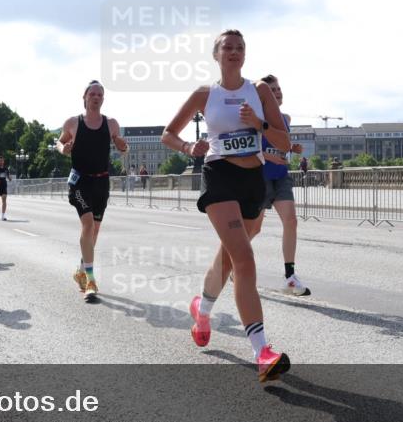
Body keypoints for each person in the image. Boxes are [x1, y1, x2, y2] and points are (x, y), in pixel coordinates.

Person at [161, 30, 291, 383]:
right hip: (219, 177)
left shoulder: (260, 91)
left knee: (229, 259)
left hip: (253, 180)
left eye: (240, 48)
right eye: (227, 48)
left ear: (245, 55)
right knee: (245, 260)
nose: (234, 52)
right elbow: (167, 134)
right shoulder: (206, 94)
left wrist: (259, 124)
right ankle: (262, 351)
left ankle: (201, 310)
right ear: (216, 54)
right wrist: (189, 148)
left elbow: (284, 140)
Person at [55, 80, 129, 302]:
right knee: (87, 225)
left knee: (94, 231)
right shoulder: (73, 123)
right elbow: (58, 144)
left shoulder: (111, 124)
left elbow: (123, 149)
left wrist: (123, 145)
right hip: (79, 182)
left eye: (100, 94)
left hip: (101, 182)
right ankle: (90, 279)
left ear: (103, 99)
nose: (96, 97)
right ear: (85, 98)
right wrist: (64, 148)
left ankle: (80, 269)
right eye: (92, 94)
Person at [247, 75, 309, 295]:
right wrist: (268, 157)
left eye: (279, 88)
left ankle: (290, 276)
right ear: (263, 97)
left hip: (281, 176)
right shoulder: (256, 119)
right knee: (254, 228)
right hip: (260, 177)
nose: (277, 93)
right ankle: (231, 257)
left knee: (291, 221)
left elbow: (281, 144)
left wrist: (293, 148)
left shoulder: (286, 118)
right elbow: (248, 149)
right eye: (272, 90)